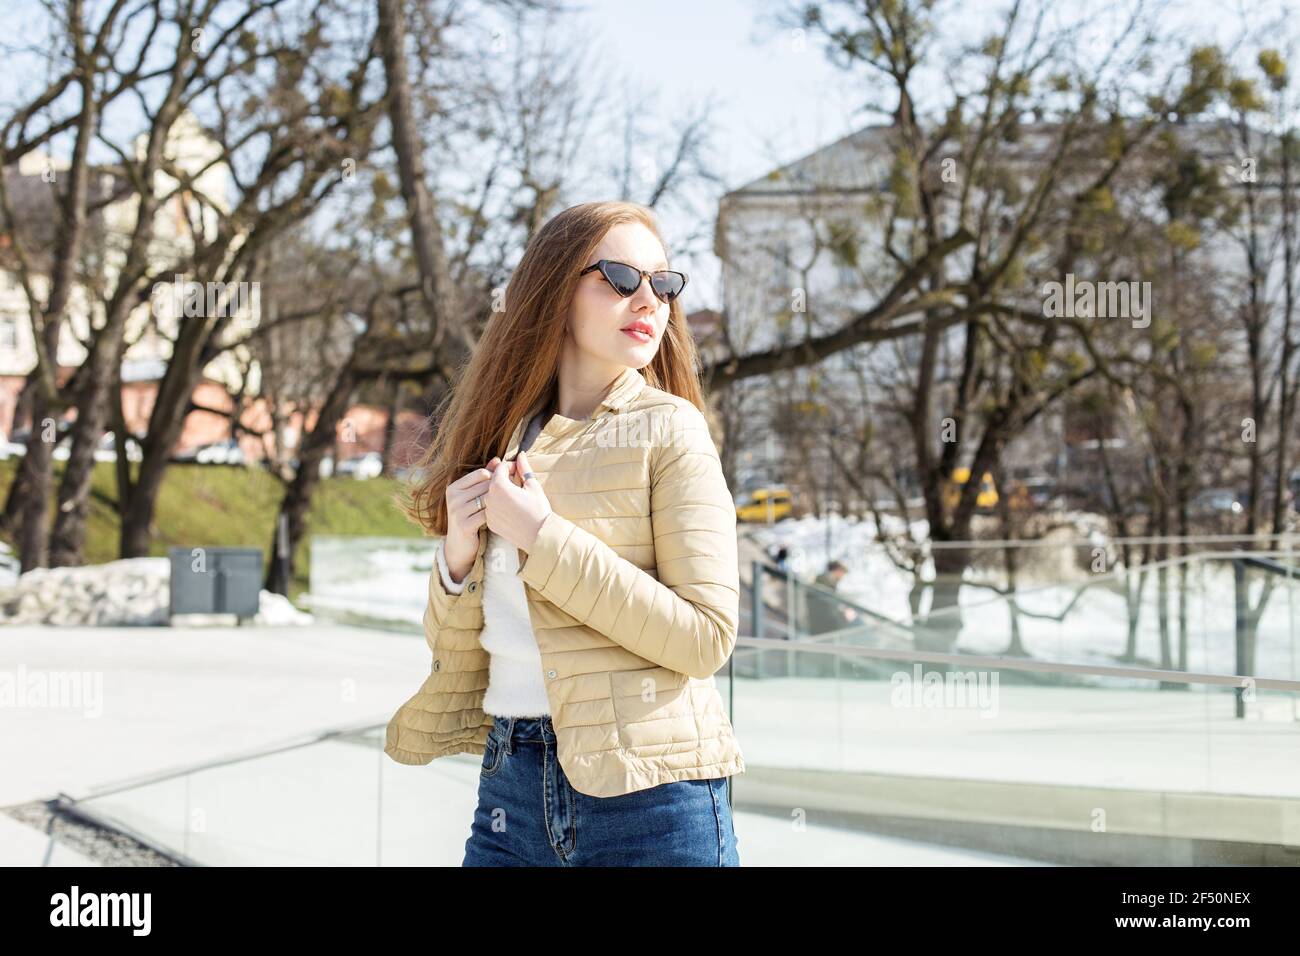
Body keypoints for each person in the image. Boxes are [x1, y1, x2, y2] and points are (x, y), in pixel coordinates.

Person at [384, 200, 743, 866]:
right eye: (619, 276)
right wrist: (455, 568)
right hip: (510, 789)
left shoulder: (671, 429)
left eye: (663, 283)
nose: (649, 300)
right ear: (553, 287)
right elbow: (464, 651)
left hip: (652, 796)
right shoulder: (504, 437)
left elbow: (707, 635)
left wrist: (543, 539)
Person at [798, 559, 857, 636]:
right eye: (843, 573)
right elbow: (827, 610)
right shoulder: (824, 583)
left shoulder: (825, 582)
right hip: (822, 627)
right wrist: (844, 617)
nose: (842, 577)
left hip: (819, 626)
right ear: (838, 570)